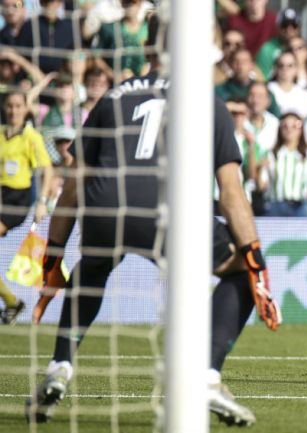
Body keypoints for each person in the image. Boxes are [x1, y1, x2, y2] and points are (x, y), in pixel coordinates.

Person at [25, 20, 281, 426]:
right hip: (170, 209)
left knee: (91, 269)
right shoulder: (205, 99)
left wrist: (53, 258)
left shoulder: (111, 96)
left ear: (148, 51)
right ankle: (208, 376)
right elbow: (231, 192)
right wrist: (254, 258)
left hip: (107, 205)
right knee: (242, 274)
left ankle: (60, 366)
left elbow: (72, 188)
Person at [0, 92, 53, 325]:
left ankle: (12, 301)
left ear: (25, 109)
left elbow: (47, 170)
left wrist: (42, 201)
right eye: (10, 106)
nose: (13, 111)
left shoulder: (31, 137)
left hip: (17, 200)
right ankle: (12, 302)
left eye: (18, 106)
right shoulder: (1, 135)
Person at [257, 112, 307, 216]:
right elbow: (261, 185)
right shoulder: (271, 154)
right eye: (285, 125)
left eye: (295, 125)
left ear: (301, 129)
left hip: (300, 206)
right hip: (275, 205)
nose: (290, 129)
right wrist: (260, 169)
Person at [92, 0, 149, 81]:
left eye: (133, 3)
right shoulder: (109, 29)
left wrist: (146, 73)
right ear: (121, 4)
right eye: (126, 2)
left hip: (143, 82)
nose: (130, 6)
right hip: (117, 83)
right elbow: (96, 56)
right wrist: (112, 75)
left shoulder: (148, 28)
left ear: (140, 4)